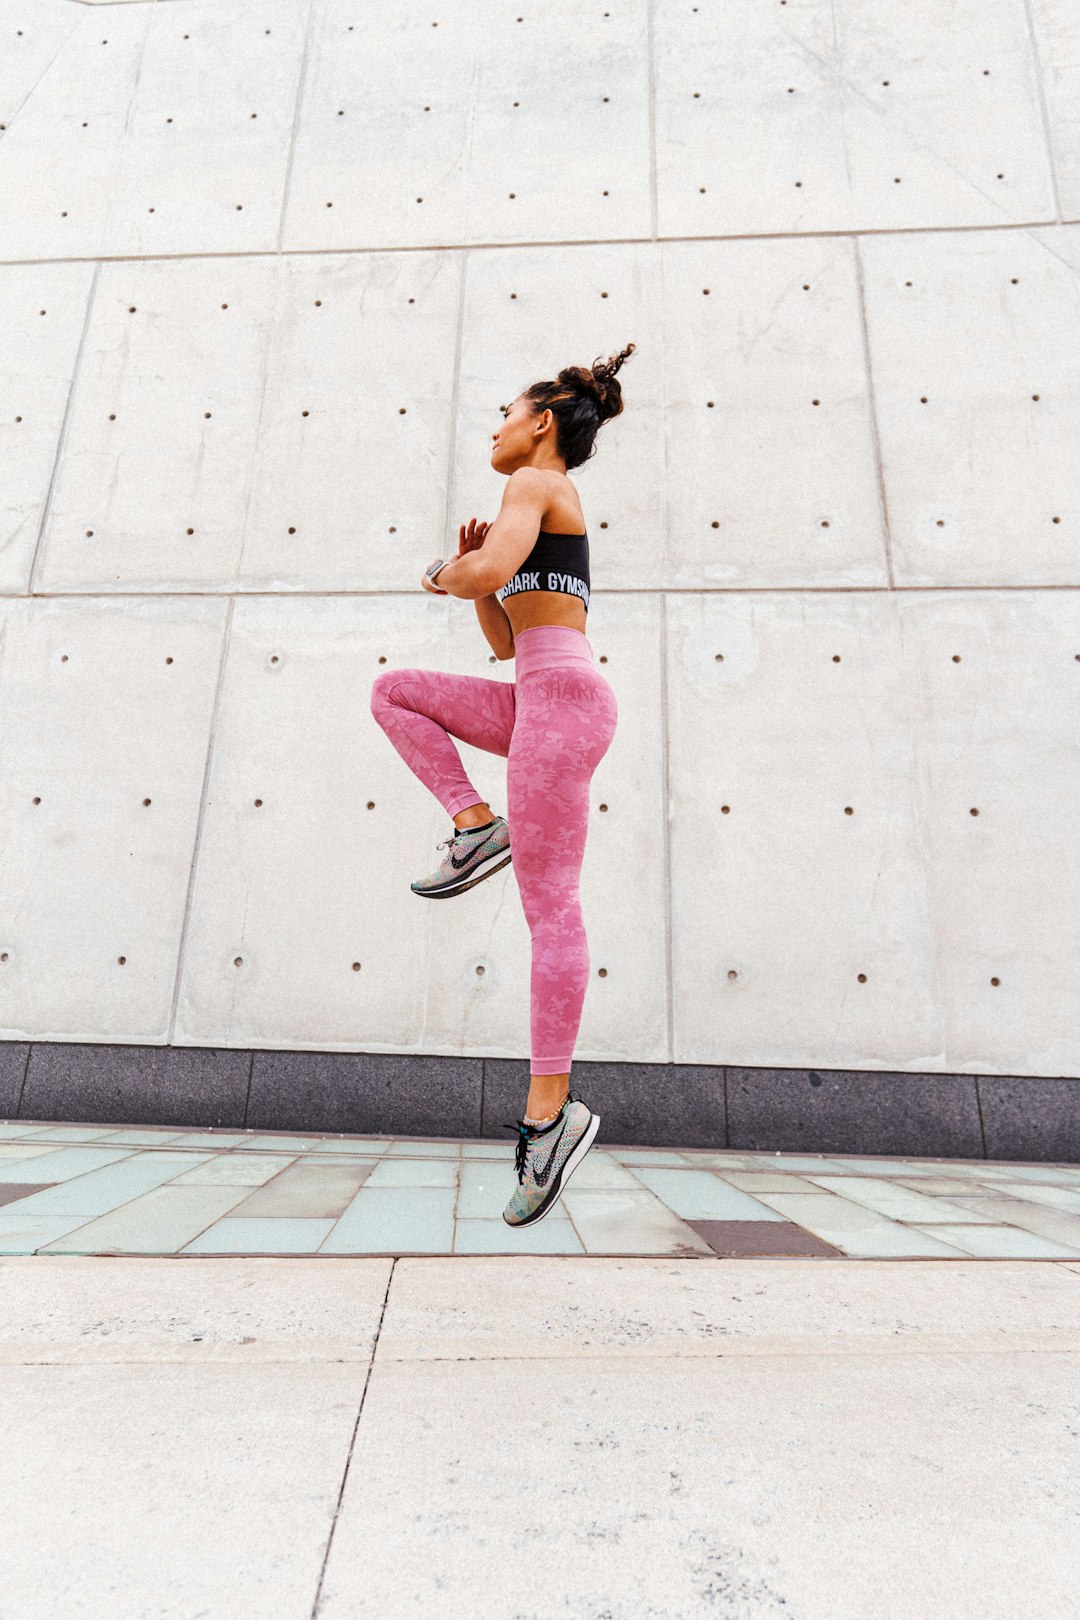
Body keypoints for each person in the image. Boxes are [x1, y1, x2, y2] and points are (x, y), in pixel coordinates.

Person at [370, 344, 635, 1226]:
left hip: (560, 704)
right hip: (539, 696)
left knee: (550, 910)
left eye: (505, 412)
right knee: (396, 691)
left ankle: (550, 1119)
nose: (495, 427)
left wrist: (445, 575)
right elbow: (500, 635)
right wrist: (476, 575)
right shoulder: (531, 505)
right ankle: (477, 822)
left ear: (541, 424)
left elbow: (475, 584)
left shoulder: (535, 484)